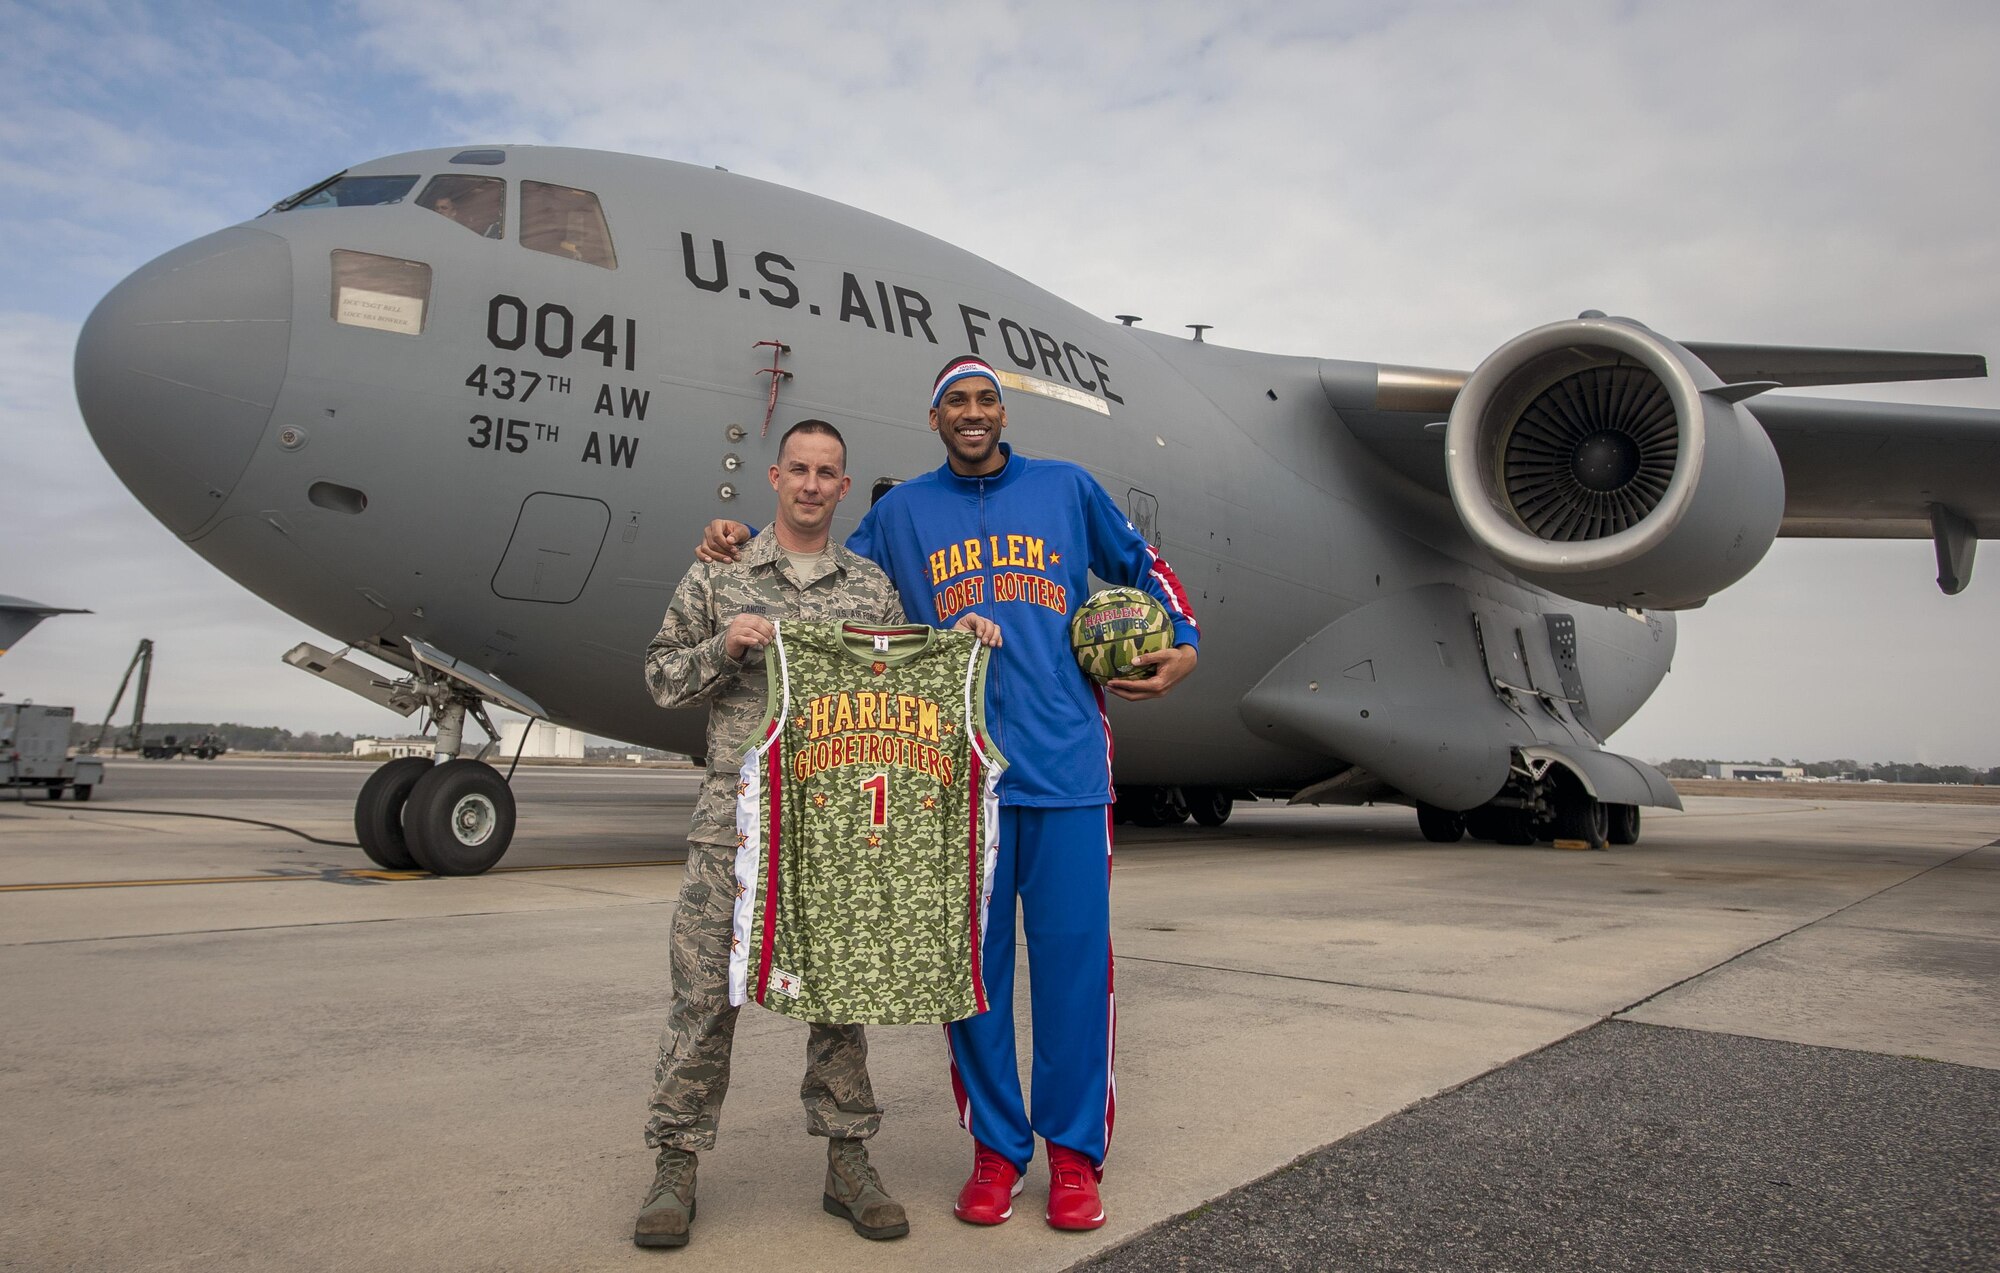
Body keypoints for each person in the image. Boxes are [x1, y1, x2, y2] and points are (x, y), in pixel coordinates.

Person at [697, 356, 1199, 1232]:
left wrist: (1182, 643)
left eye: (985, 400)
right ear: (934, 420)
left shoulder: (1068, 490)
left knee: (1078, 974)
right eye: (955, 402)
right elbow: (826, 586)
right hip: (955, 782)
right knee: (971, 982)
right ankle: (998, 1152)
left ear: (1002, 413)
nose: (973, 413)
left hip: (1067, 771)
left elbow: (1145, 569)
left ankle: (1075, 1158)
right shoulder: (901, 513)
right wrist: (738, 541)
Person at [637, 418, 998, 1250]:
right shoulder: (719, 570)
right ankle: (674, 1165)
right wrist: (724, 647)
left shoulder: (870, 590)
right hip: (731, 828)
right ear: (774, 476)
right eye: (797, 468)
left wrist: (965, 641)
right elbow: (660, 677)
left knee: (841, 996)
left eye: (826, 472)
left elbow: (908, 688)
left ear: (843, 486)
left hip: (835, 833)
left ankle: (848, 1161)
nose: (809, 483)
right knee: (702, 999)